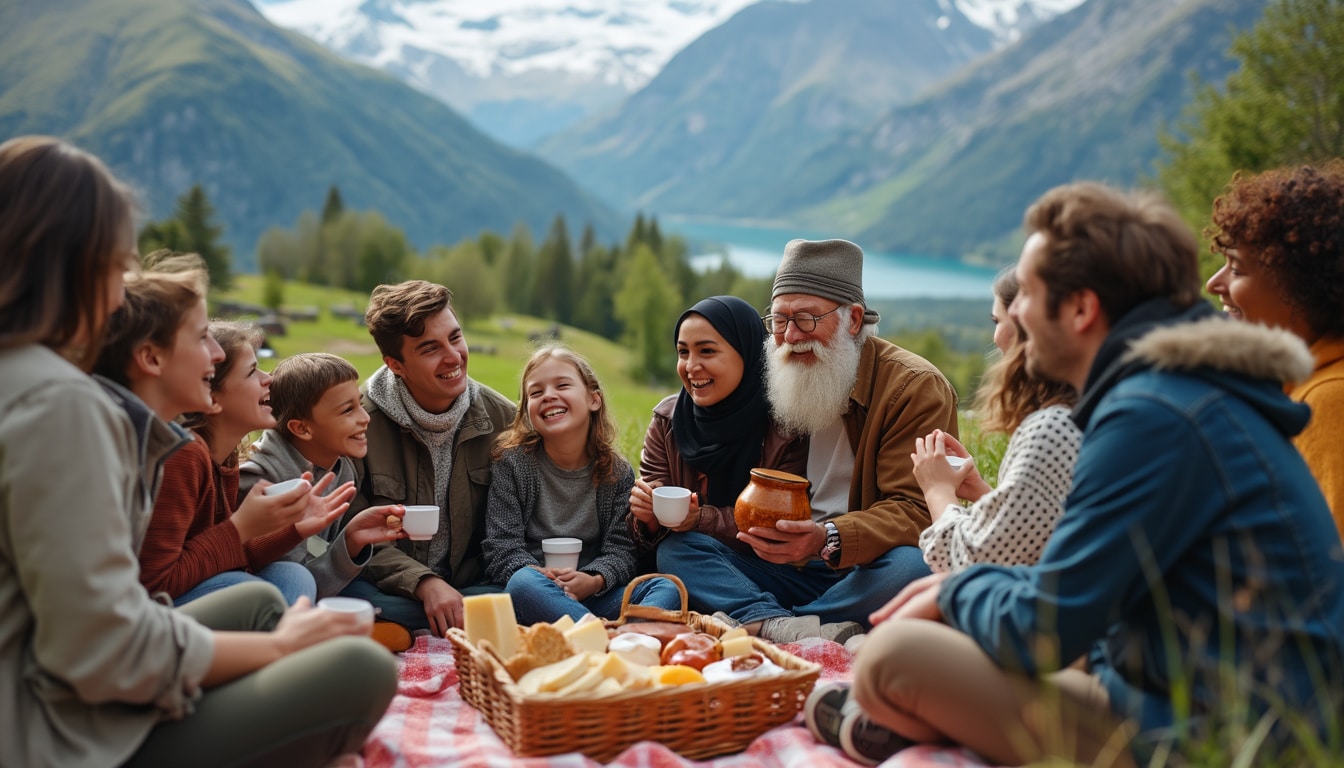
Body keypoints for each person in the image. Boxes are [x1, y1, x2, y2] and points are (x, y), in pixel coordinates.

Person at [850, 182, 1344, 766]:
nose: (1018, 316)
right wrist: (971, 592)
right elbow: (1077, 592)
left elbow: (1045, 627)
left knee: (892, 657)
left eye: (1027, 295)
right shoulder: (1178, 394)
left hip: (1227, 737)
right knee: (953, 635)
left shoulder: (1151, 416)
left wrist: (960, 589)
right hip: (1199, 687)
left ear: (1082, 309)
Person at [0, 135, 395, 768]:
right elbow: (105, 650)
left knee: (265, 599)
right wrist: (278, 651)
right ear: (75, 264)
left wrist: (307, 541)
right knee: (358, 665)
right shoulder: (61, 407)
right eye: (116, 265)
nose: (119, 292)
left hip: (64, 682)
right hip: (59, 733)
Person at [657, 240, 960, 643]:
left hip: (861, 569)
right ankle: (791, 627)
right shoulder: (779, 375)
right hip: (786, 568)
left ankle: (772, 624)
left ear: (853, 319)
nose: (791, 336)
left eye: (805, 319)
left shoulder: (913, 389)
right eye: (779, 321)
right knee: (680, 550)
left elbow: (916, 510)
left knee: (915, 566)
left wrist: (826, 538)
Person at [343, 280, 516, 637]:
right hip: (389, 586)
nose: (453, 357)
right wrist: (424, 584)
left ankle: (405, 626)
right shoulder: (356, 423)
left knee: (520, 593)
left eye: (455, 337)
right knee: (346, 591)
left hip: (473, 586)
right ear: (395, 364)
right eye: (429, 349)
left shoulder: (505, 420)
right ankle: (423, 619)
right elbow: (350, 534)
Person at [140, 320, 355, 605]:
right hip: (155, 610)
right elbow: (157, 585)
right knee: (252, 591)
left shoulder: (224, 457)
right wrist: (241, 528)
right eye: (252, 372)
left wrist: (293, 530)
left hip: (197, 589)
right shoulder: (184, 456)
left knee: (292, 576)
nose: (269, 380)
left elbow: (232, 557)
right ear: (211, 395)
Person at [483, 346, 682, 623]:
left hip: (592, 595)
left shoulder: (616, 472)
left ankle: (602, 634)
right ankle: (609, 638)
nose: (549, 395)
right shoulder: (514, 464)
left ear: (594, 399)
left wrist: (593, 580)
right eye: (536, 392)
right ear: (527, 411)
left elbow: (621, 550)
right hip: (535, 594)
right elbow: (501, 547)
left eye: (562, 385)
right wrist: (541, 576)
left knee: (666, 588)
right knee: (521, 582)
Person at [1204, 161, 1344, 543]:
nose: (1213, 283)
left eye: (1236, 267)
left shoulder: (1328, 400)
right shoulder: (1303, 390)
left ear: (1298, 284)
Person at [238, 352, 414, 650]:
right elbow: (295, 577)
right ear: (302, 428)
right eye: (348, 410)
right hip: (270, 596)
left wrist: (350, 541)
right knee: (297, 577)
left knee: (390, 601)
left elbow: (317, 559)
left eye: (360, 403)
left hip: (314, 584)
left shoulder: (342, 469)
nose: (365, 417)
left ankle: (340, 632)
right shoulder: (262, 480)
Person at [911, 267, 1080, 572]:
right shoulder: (1082, 412)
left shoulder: (1053, 428)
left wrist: (937, 491)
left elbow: (965, 564)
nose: (995, 336)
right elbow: (1035, 533)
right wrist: (980, 491)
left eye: (997, 321)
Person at [628, 295, 808, 565]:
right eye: (683, 352)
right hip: (689, 563)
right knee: (677, 552)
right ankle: (757, 609)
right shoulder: (668, 420)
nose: (690, 367)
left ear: (748, 353)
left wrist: (701, 519)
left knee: (680, 552)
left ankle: (759, 608)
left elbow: (773, 527)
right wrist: (647, 517)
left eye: (707, 351)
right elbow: (648, 534)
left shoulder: (785, 428)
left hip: (764, 569)